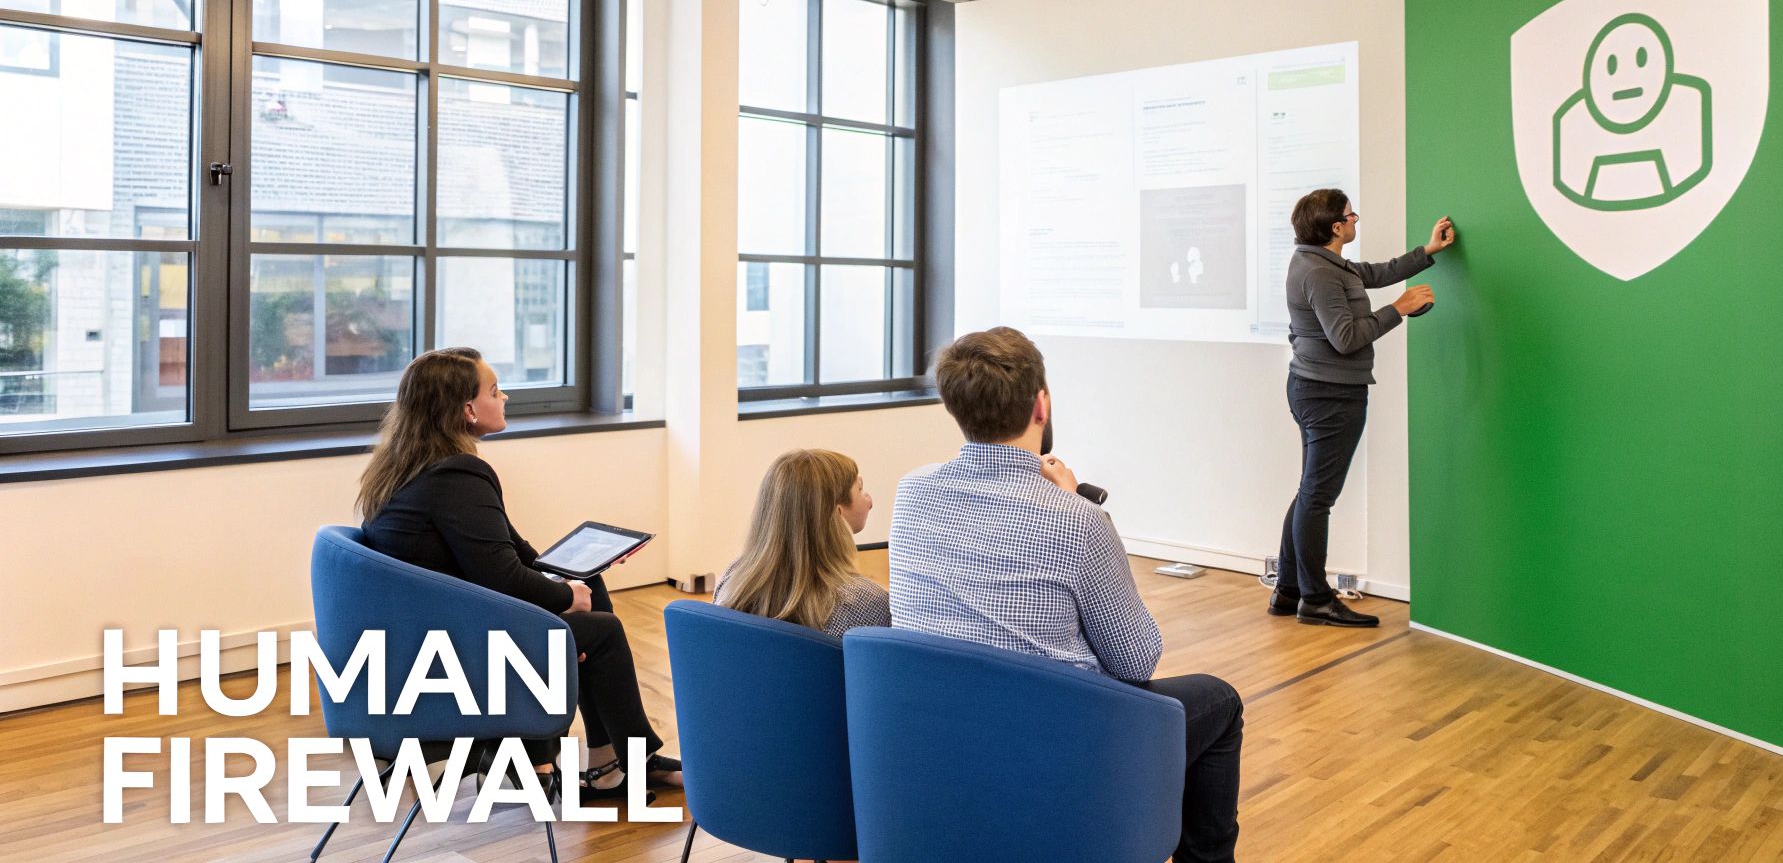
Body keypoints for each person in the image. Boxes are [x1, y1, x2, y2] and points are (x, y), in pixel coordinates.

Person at [890, 327, 1243, 863]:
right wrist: (1081, 510)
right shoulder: (1076, 519)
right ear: (1041, 405)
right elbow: (1135, 660)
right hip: (1058, 749)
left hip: (941, 740)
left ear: (953, 406)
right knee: (1219, 699)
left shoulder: (912, 492)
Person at [357, 347, 681, 799]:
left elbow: (513, 551)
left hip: (436, 623)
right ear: (468, 410)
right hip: (458, 644)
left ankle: (615, 762)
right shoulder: (456, 476)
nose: (505, 396)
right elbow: (503, 579)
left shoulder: (410, 467)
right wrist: (567, 598)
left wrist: (578, 572)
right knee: (599, 630)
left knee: (590, 585)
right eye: (494, 390)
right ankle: (622, 761)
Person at [1277, 190, 1455, 627]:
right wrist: (1400, 308)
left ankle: (1289, 589)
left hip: (1316, 388)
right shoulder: (1318, 272)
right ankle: (1315, 599)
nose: (1355, 219)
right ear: (1336, 228)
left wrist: (1427, 251)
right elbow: (1346, 338)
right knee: (1318, 496)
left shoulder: (1325, 263)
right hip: (1330, 395)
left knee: (1310, 491)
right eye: (1350, 215)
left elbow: (1376, 273)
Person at [715, 449, 889, 637]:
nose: (870, 501)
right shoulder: (868, 603)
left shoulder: (733, 579)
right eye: (860, 489)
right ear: (838, 516)